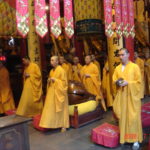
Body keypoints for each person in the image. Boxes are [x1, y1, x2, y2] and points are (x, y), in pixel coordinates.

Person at [113, 48, 143, 149]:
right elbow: (114, 80)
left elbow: (139, 83)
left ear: (128, 55)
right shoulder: (117, 68)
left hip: (132, 98)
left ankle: (135, 140)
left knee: (132, 118)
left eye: (122, 55)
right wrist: (117, 82)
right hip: (122, 97)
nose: (121, 57)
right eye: (119, 55)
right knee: (123, 118)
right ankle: (125, 138)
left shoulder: (135, 67)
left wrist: (128, 83)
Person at [40, 56, 69, 132]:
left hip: (60, 93)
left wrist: (55, 80)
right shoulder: (51, 71)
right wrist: (49, 80)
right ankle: (53, 124)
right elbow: (50, 80)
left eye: (53, 60)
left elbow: (64, 84)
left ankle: (63, 125)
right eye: (50, 60)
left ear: (57, 61)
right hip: (52, 93)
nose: (51, 62)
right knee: (51, 109)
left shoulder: (61, 70)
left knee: (61, 109)